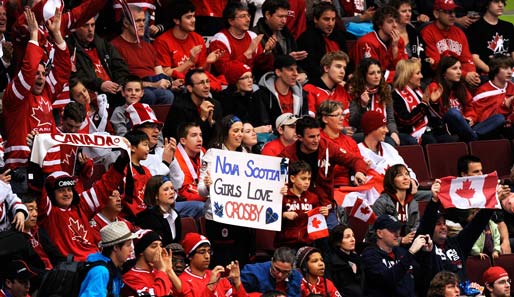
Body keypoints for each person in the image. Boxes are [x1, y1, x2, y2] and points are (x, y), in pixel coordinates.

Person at [3, 8, 70, 191]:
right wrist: (33, 35)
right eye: (36, 74)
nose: (40, 77)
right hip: (21, 170)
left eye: (43, 73)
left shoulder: (47, 94)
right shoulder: (15, 97)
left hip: (49, 169)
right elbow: (28, 68)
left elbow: (64, 70)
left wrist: (57, 34)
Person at [38, 151, 129, 261]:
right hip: (73, 267)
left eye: (69, 189)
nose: (67, 194)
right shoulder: (49, 212)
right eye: (61, 191)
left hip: (96, 259)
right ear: (52, 194)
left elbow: (105, 186)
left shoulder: (81, 206)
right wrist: (37, 155)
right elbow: (39, 191)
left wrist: (122, 159)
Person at [280, 116, 368, 229]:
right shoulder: (287, 155)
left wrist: (359, 172)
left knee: (334, 238)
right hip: (299, 207)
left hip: (325, 207)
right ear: (299, 137)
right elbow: (275, 179)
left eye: (318, 135)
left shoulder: (328, 147)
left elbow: (355, 160)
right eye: (311, 137)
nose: (316, 140)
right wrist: (282, 187)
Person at [198, 115, 254, 266]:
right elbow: (201, 191)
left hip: (241, 216)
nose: (240, 134)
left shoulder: (246, 155)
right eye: (235, 130)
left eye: (242, 131)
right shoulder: (212, 154)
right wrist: (208, 185)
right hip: (218, 216)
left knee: (240, 260)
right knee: (221, 262)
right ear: (225, 132)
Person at [427, 56, 504, 141]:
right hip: (448, 127)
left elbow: (470, 107)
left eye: (460, 68)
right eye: (454, 69)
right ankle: (474, 137)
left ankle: (472, 135)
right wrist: (433, 102)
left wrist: (470, 118)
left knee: (499, 118)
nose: (459, 72)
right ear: (444, 72)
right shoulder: (434, 87)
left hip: (465, 126)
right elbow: (436, 115)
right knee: (454, 113)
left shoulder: (461, 88)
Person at [153, 0, 223, 90]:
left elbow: (202, 71)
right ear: (176, 20)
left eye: (194, 16)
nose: (193, 20)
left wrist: (208, 62)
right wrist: (189, 62)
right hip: (176, 86)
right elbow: (165, 73)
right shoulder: (162, 42)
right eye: (188, 17)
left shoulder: (198, 39)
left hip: (196, 84)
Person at [111, 6, 174, 105]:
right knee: (149, 95)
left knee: (168, 95)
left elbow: (160, 73)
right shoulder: (115, 46)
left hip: (153, 84)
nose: (142, 24)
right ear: (126, 23)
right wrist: (154, 84)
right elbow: (122, 80)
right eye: (138, 21)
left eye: (144, 20)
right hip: (133, 89)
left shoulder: (148, 46)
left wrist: (171, 83)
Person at [361, 214, 433, 297]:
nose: (397, 234)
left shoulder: (401, 252)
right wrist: (411, 253)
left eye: (398, 230)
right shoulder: (370, 255)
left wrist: (427, 254)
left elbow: (423, 279)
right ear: (379, 233)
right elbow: (387, 280)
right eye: (392, 230)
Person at [68, 17, 129, 106]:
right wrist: (100, 84)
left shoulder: (102, 44)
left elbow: (120, 66)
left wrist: (120, 84)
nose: (90, 29)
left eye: (93, 25)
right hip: (93, 94)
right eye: (86, 26)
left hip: (115, 92)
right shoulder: (70, 49)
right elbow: (76, 77)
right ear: (76, 28)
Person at [420, 0, 480, 88]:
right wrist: (464, 75)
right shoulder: (428, 32)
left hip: (459, 78)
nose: (453, 15)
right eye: (448, 12)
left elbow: (467, 59)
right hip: (438, 79)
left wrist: (472, 75)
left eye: (454, 12)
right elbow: (436, 64)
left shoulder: (459, 32)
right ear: (436, 13)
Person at [209, 1, 274, 80]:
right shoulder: (220, 40)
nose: (248, 19)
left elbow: (263, 68)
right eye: (243, 16)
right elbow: (224, 71)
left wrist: (266, 53)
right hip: (228, 85)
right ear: (231, 21)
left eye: (248, 15)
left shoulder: (252, 36)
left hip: (250, 82)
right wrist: (247, 53)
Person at [163, 69, 222, 146]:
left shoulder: (215, 105)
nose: (207, 86)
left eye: (207, 81)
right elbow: (179, 137)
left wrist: (211, 123)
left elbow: (219, 137)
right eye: (201, 83)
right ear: (190, 88)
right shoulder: (179, 107)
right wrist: (202, 119)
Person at [350, 58, 400, 146]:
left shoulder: (386, 89)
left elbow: (390, 118)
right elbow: (354, 123)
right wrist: (363, 106)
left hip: (384, 130)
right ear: (364, 75)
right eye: (372, 73)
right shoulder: (356, 91)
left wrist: (393, 132)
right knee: (389, 142)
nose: (377, 76)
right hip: (364, 132)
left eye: (379, 72)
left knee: (408, 140)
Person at [351, 5, 408, 82]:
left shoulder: (398, 40)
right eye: (390, 21)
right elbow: (373, 75)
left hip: (392, 81)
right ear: (379, 25)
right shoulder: (367, 42)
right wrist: (401, 75)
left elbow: (405, 68)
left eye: (396, 21)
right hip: (367, 84)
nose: (395, 25)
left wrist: (395, 48)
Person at [275, 161, 324, 249]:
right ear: (292, 178)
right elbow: (269, 216)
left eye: (309, 179)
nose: (307, 182)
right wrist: (283, 214)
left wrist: (323, 213)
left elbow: (317, 222)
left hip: (307, 243)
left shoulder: (313, 198)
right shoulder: (283, 196)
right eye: (303, 178)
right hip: (285, 244)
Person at [180, 233, 248, 296]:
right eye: (202, 252)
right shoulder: (182, 282)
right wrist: (210, 286)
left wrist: (237, 282)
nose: (207, 256)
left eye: (209, 252)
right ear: (190, 256)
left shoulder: (216, 275)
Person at [79, 221, 136, 296]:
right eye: (128, 245)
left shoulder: (114, 268)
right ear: (116, 247)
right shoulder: (100, 271)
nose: (131, 249)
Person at [392, 59, 440, 145]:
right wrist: (424, 104)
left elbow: (433, 118)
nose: (421, 76)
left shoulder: (420, 90)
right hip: (410, 134)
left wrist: (433, 103)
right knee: (430, 140)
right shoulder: (395, 96)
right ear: (407, 76)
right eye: (418, 73)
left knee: (451, 138)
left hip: (428, 130)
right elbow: (406, 121)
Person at [121, 230, 181, 296]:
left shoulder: (158, 272)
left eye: (160, 246)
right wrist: (162, 270)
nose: (159, 250)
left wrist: (169, 270)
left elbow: (179, 292)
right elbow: (153, 295)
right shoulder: (130, 277)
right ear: (141, 251)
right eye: (154, 246)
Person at [297, 2, 347, 81]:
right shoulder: (307, 38)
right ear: (315, 19)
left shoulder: (339, 36)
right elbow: (311, 68)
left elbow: (347, 62)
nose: (331, 23)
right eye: (326, 19)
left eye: (333, 19)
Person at [254, 55, 309, 126]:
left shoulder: (301, 94)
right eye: (290, 69)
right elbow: (263, 124)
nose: (296, 73)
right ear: (278, 72)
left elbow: (305, 121)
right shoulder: (263, 95)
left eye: (296, 69)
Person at [317, 100, 362, 186]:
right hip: (328, 187)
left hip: (351, 185)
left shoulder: (350, 141)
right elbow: (325, 169)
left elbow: (359, 162)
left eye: (342, 114)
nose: (342, 118)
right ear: (325, 119)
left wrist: (359, 170)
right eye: (337, 115)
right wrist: (348, 165)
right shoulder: (317, 140)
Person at [219, 61, 271, 132]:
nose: (250, 80)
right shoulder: (226, 100)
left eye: (251, 77)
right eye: (245, 77)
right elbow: (231, 130)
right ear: (235, 80)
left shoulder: (253, 95)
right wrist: (255, 130)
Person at [467, 0, 514, 76]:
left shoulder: (508, 26)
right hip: (488, 73)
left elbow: (513, 52)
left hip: (509, 72)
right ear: (487, 4)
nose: (500, 5)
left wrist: (510, 71)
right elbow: (474, 57)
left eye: (502, 2)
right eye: (496, 1)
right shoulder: (475, 28)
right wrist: (493, 72)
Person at [473, 55, 514, 139]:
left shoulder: (512, 87)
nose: (510, 72)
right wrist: (505, 106)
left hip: (509, 129)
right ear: (495, 70)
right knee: (499, 119)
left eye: (511, 68)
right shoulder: (483, 91)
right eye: (505, 68)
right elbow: (485, 120)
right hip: (489, 130)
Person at [303, 51, 352, 120]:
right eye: (338, 67)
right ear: (326, 68)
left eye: (344, 68)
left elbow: (346, 118)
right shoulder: (309, 89)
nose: (342, 71)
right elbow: (310, 122)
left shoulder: (341, 89)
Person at [135, 175, 182, 246]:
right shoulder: (147, 217)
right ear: (155, 195)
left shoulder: (175, 214)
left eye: (172, 188)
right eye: (166, 189)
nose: (171, 192)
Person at [325, 224, 364, 296]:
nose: (353, 239)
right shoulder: (331, 263)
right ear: (337, 242)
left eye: (353, 236)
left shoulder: (358, 260)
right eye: (347, 237)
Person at [122, 130, 152, 220]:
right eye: (145, 144)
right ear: (132, 148)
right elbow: (126, 198)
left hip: (148, 210)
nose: (148, 149)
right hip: (133, 216)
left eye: (148, 145)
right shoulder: (125, 170)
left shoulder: (146, 170)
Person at [175, 122, 206, 202]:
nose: (199, 139)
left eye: (201, 135)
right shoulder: (176, 158)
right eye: (194, 135)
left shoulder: (204, 152)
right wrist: (209, 197)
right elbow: (184, 194)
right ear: (183, 141)